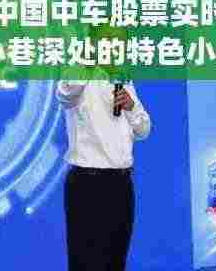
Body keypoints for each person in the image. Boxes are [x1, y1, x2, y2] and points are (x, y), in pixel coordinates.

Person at [56, 26, 151, 271]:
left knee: (116, 260)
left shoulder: (124, 80)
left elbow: (144, 130)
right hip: (88, 184)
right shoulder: (79, 74)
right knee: (86, 263)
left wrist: (131, 107)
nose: (115, 47)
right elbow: (64, 94)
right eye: (109, 39)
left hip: (121, 184)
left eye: (120, 41)